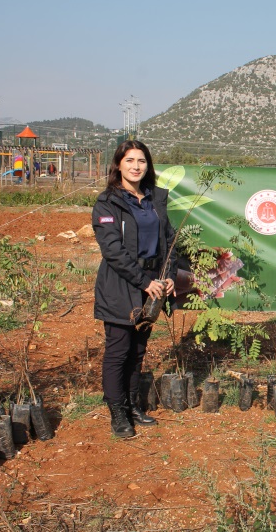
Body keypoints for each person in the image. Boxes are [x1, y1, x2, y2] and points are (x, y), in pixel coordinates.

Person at [92, 140, 178, 438]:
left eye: (141, 161)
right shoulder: (108, 202)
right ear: (118, 165)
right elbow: (112, 250)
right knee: (119, 350)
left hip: (152, 284)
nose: (136, 166)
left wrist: (168, 275)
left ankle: (132, 405)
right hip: (122, 284)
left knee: (138, 349)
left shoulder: (155, 199)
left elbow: (169, 242)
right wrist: (144, 281)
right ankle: (117, 412)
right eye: (129, 160)